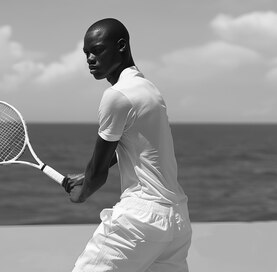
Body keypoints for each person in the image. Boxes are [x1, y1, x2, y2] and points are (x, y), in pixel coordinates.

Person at [62, 18, 192, 272]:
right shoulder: (149, 90)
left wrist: (82, 193)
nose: (90, 58)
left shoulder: (116, 96)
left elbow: (98, 173)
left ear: (121, 46)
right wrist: (85, 176)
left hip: (141, 219)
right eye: (86, 53)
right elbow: (131, 144)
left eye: (97, 50)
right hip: (176, 220)